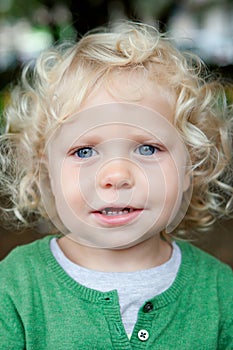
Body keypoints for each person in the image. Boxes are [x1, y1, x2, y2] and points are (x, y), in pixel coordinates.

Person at [0, 21, 232, 349]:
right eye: (84, 151)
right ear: (47, 171)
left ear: (188, 166)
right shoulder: (14, 288)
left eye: (147, 148)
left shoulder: (221, 293)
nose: (116, 175)